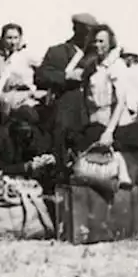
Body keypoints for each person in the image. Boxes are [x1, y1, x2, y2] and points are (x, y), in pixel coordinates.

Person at [36, 13, 100, 166]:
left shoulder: (97, 55)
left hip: (91, 109)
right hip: (65, 110)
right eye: (85, 32)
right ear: (75, 30)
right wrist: (66, 76)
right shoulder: (57, 52)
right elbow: (41, 76)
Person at [0, 23, 43, 118]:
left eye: (16, 38)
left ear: (20, 38)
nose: (13, 42)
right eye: (9, 38)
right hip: (6, 99)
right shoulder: (0, 58)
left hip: (25, 97)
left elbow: (45, 65)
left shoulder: (26, 55)